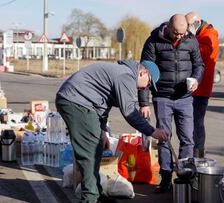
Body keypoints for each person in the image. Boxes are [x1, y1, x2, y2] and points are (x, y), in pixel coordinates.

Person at [56, 60, 168, 203]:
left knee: (96, 148)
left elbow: (103, 105)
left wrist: (102, 131)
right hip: (75, 101)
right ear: (143, 72)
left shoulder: (123, 74)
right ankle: (89, 198)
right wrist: (152, 131)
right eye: (149, 83)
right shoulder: (126, 77)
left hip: (80, 101)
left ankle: (95, 192)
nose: (147, 88)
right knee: (89, 151)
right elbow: (129, 113)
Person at [139, 14, 204, 193]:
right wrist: (144, 103)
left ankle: (185, 178)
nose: (180, 37)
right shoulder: (153, 41)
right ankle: (166, 178)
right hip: (162, 97)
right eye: (176, 33)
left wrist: (196, 79)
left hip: (185, 98)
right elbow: (143, 72)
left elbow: (199, 65)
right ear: (168, 27)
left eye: (182, 34)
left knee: (188, 140)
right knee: (164, 138)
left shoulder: (191, 40)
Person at [185, 12, 219, 158]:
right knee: (191, 123)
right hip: (195, 87)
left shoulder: (209, 35)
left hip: (201, 88)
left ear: (197, 23)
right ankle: (193, 155)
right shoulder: (202, 34)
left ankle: (198, 156)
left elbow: (201, 54)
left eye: (189, 26)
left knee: (197, 124)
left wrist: (191, 39)